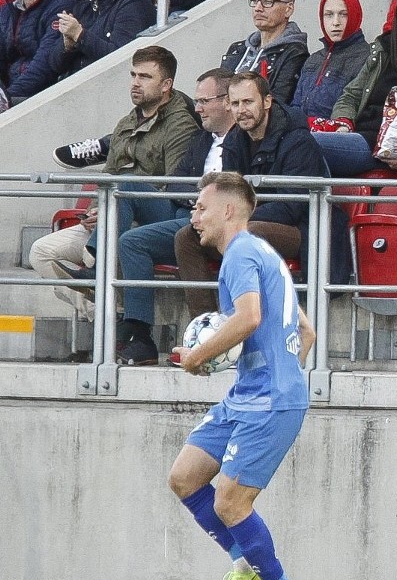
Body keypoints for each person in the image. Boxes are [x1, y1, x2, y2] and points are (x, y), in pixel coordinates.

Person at [168, 171, 315, 580]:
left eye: (201, 207)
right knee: (186, 477)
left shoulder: (239, 255)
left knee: (230, 500)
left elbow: (248, 318)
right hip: (251, 393)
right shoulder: (259, 253)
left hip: (268, 398)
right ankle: (244, 565)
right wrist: (274, 367)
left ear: (229, 210)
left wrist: (198, 357)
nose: (194, 216)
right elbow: (305, 331)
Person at [29, 46, 198, 324]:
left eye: (145, 76)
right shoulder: (126, 122)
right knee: (41, 252)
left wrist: (118, 209)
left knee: (123, 197)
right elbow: (107, 178)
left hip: (148, 222)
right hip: (111, 221)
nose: (135, 82)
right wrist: (97, 211)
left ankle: (104, 294)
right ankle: (108, 317)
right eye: (133, 74)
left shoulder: (181, 123)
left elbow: (176, 191)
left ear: (166, 84)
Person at [174, 72, 352, 319]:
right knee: (187, 237)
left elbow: (292, 206)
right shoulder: (234, 140)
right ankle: (206, 328)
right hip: (249, 222)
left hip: (306, 230)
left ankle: (243, 321)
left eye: (248, 102)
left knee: (246, 234)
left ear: (267, 102)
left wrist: (237, 217)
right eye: (235, 104)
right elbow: (229, 193)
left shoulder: (298, 141)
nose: (241, 110)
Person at [110, 68, 236, 366]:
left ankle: (140, 335)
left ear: (228, 101)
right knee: (126, 187)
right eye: (196, 101)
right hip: (185, 208)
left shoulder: (242, 139)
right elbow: (176, 180)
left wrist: (204, 201)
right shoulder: (203, 138)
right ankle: (98, 259)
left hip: (209, 221)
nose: (198, 108)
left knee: (132, 242)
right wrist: (195, 196)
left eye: (205, 101)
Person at [310, 0, 397, 176]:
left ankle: (315, 204)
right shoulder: (384, 49)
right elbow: (351, 95)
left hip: (387, 147)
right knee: (292, 142)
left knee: (308, 143)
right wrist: (343, 123)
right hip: (358, 134)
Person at [290, 0, 369, 120]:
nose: (335, 22)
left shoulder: (367, 58)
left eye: (343, 14)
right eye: (329, 15)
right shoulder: (314, 59)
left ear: (355, 15)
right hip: (303, 134)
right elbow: (295, 105)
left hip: (337, 135)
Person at [220, 0, 309, 106]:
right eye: (255, 1)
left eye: (267, 2)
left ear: (288, 9)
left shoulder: (295, 54)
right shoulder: (237, 48)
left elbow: (277, 104)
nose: (258, 8)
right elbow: (219, 93)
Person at [50, 0, 156, 80]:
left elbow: (123, 60)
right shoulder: (84, 6)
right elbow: (55, 65)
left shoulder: (134, 4)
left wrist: (80, 35)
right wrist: (67, 46)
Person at [0, 0, 73, 104]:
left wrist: (7, 99)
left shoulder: (60, 5)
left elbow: (44, 64)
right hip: (12, 95)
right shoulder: (7, 12)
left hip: (45, 95)